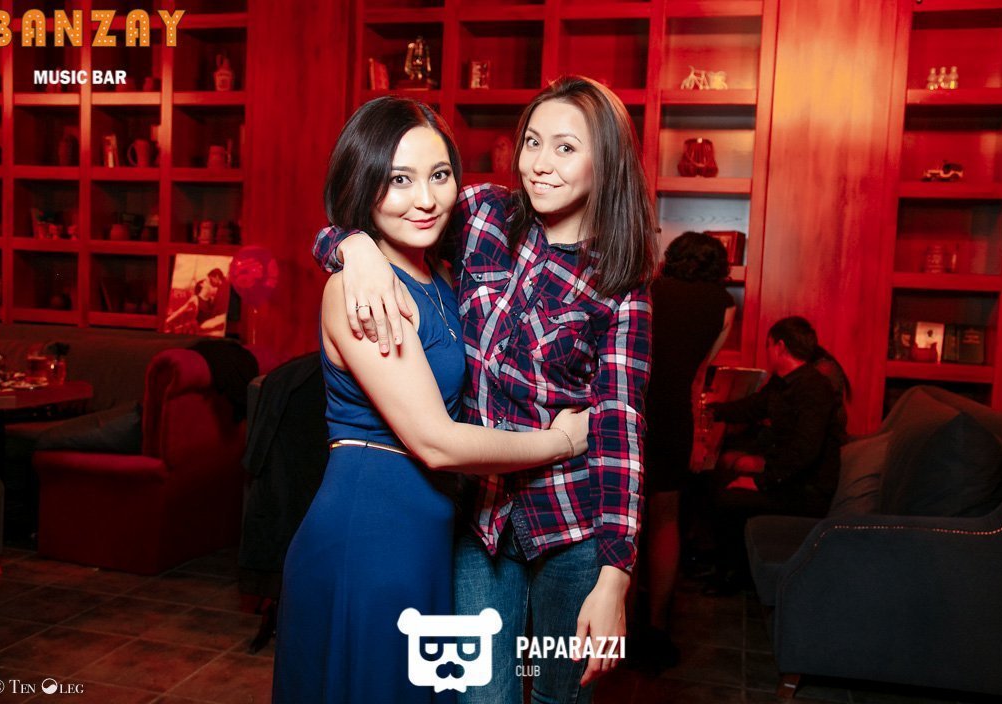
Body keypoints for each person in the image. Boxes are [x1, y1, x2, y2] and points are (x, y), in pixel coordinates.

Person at [312, 76, 657, 703]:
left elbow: (620, 428)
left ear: (605, 160)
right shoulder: (485, 217)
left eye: (565, 147)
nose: (540, 163)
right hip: (480, 518)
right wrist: (350, 247)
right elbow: (387, 206)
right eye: (532, 142)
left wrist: (615, 577)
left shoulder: (621, 283)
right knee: (476, 694)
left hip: (571, 526)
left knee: (558, 695)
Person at [632, 232, 735, 670]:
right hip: (674, 417)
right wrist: (697, 438)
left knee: (625, 519)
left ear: (672, 257)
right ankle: (657, 628)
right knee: (666, 518)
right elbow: (698, 377)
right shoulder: (725, 306)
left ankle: (618, 625)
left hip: (631, 407)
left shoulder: (646, 289)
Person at [704, 316, 847, 594]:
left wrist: (762, 481)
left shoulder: (813, 388)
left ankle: (735, 577)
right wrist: (714, 410)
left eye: (768, 346)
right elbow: (754, 406)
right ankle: (720, 563)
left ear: (779, 346)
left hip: (807, 491)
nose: (768, 352)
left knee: (728, 496)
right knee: (720, 476)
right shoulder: (784, 383)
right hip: (792, 480)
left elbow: (805, 451)